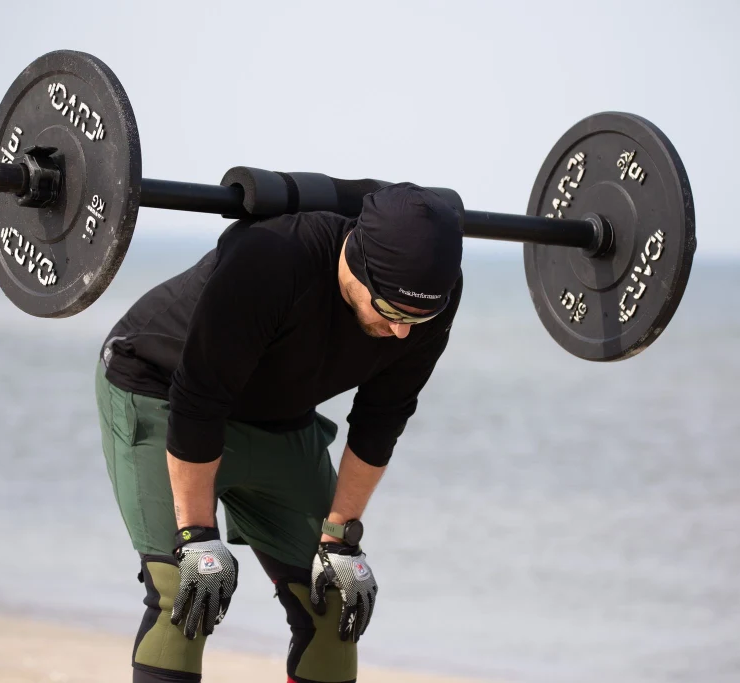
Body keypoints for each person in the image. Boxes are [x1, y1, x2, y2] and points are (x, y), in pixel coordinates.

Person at [94, 182, 464, 683]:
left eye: (418, 318)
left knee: (334, 601)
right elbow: (198, 399)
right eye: (392, 312)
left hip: (277, 415)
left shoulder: (430, 301)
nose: (402, 332)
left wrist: (340, 540)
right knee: (186, 589)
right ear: (354, 262)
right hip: (161, 388)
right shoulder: (270, 259)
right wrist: (197, 537)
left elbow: (384, 415)